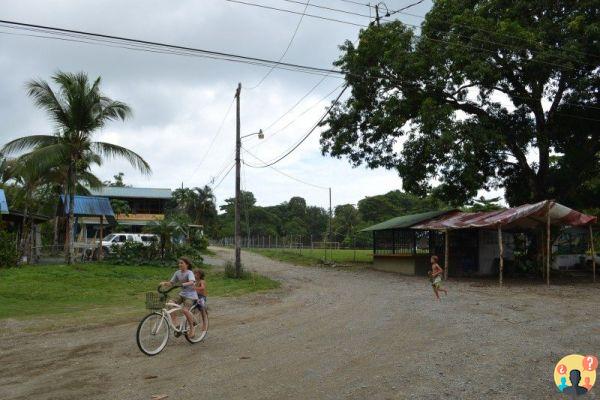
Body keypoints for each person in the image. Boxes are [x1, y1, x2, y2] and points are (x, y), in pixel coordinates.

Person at [160, 257, 198, 338]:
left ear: (187, 264)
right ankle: (176, 325)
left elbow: (192, 282)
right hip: (182, 294)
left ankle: (192, 328)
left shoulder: (189, 272)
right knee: (170, 303)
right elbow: (171, 283)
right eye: (179, 263)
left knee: (184, 310)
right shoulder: (177, 273)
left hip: (191, 295)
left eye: (182, 263)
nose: (179, 264)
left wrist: (182, 284)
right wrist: (164, 283)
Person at [193, 268, 208, 333]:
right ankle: (193, 321)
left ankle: (204, 323)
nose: (195, 275)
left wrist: (194, 288)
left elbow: (202, 288)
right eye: (194, 273)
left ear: (200, 275)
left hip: (201, 297)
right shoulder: (193, 281)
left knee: (202, 308)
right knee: (191, 308)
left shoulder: (202, 281)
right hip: (195, 297)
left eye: (197, 274)